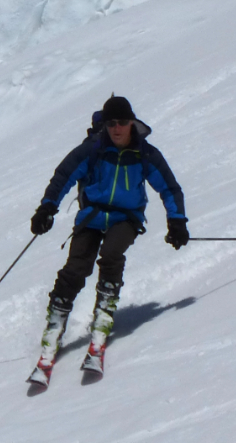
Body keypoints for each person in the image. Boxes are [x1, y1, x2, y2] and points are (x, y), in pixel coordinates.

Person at [29, 95, 189, 379]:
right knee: (76, 268)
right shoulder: (92, 150)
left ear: (132, 123)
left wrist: (177, 221)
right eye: (112, 123)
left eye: (123, 122)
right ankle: (54, 328)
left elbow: (169, 187)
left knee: (112, 255)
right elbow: (63, 176)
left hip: (125, 217)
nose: (117, 128)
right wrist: (47, 208)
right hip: (92, 215)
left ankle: (103, 317)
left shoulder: (145, 153)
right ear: (104, 124)